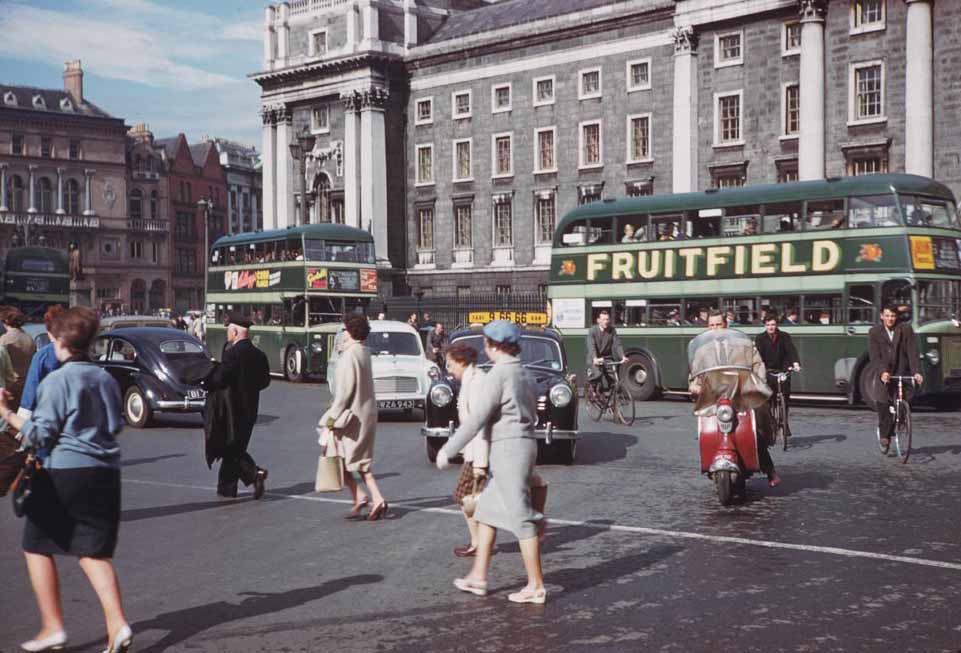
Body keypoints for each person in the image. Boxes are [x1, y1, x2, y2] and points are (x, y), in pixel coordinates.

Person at [0, 307, 132, 653]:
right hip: (105, 473)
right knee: (92, 552)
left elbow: (39, 435)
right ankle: (117, 624)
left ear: (59, 341)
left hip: (65, 473)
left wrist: (6, 414)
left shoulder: (57, 380)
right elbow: (115, 424)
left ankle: (53, 626)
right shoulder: (105, 378)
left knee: (36, 544)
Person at [436, 320, 546, 604]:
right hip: (525, 445)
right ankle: (478, 577)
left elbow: (476, 419)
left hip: (508, 451)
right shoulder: (525, 373)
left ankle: (535, 586)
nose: (484, 348)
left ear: (494, 345)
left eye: (485, 342)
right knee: (484, 511)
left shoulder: (499, 374)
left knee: (522, 520)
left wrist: (448, 450)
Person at [692, 311, 780, 487]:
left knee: (755, 432)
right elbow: (695, 376)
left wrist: (756, 383)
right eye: (711, 325)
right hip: (715, 398)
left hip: (741, 395)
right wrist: (694, 386)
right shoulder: (702, 351)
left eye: (718, 325)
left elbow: (758, 366)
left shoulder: (744, 344)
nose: (715, 329)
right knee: (706, 430)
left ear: (726, 325)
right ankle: (709, 460)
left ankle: (769, 469)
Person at [321, 315, 389, 520]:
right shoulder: (363, 352)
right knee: (351, 459)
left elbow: (343, 393)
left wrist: (330, 419)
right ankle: (361, 496)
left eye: (344, 329)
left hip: (350, 416)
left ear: (349, 331)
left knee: (347, 458)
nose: (342, 333)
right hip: (365, 413)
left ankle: (375, 498)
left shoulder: (349, 356)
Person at [203, 317, 271, 499]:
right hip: (250, 411)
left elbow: (221, 379)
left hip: (230, 410)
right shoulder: (259, 355)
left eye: (228, 330)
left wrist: (208, 378)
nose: (227, 333)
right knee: (235, 448)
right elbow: (265, 381)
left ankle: (254, 474)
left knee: (230, 447)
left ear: (234, 332)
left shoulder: (231, 354)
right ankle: (226, 488)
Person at [445, 342, 490, 558]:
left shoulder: (477, 382)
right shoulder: (469, 380)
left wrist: (481, 462)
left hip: (479, 453)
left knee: (466, 497)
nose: (449, 369)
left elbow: (481, 424)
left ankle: (480, 543)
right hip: (472, 452)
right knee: (470, 498)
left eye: (451, 364)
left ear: (462, 362)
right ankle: (478, 541)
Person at [868, 305, 923, 450]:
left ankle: (901, 418)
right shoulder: (874, 332)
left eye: (892, 316)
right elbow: (875, 356)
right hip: (884, 372)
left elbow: (912, 352)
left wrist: (916, 372)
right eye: (887, 316)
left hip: (901, 370)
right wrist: (882, 372)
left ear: (896, 317)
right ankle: (884, 436)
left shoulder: (905, 329)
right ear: (881, 316)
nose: (890, 319)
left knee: (906, 396)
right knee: (883, 403)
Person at [755, 312, 801, 438]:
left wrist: (795, 363)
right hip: (768, 370)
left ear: (777, 325)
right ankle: (770, 423)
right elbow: (758, 356)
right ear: (765, 325)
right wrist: (760, 369)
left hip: (782, 370)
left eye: (773, 324)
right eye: (769, 325)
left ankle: (785, 423)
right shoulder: (760, 338)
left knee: (785, 396)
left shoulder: (784, 336)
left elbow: (791, 351)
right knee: (768, 398)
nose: (771, 327)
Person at [17, 306, 64, 421]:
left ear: (48, 331)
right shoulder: (78, 352)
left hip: (47, 415)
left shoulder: (43, 355)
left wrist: (22, 421)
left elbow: (31, 392)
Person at [0, 306, 35, 410]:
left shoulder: (5, 340)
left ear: (6, 320)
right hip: (26, 384)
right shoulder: (29, 338)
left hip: (10, 386)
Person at [586, 310, 626, 397]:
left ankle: (613, 402)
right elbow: (591, 346)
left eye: (607, 319)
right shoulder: (592, 331)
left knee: (614, 380)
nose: (606, 322)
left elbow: (617, 344)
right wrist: (595, 358)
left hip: (607, 358)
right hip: (594, 358)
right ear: (598, 321)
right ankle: (592, 388)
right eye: (603, 320)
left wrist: (622, 356)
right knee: (598, 374)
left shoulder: (612, 330)